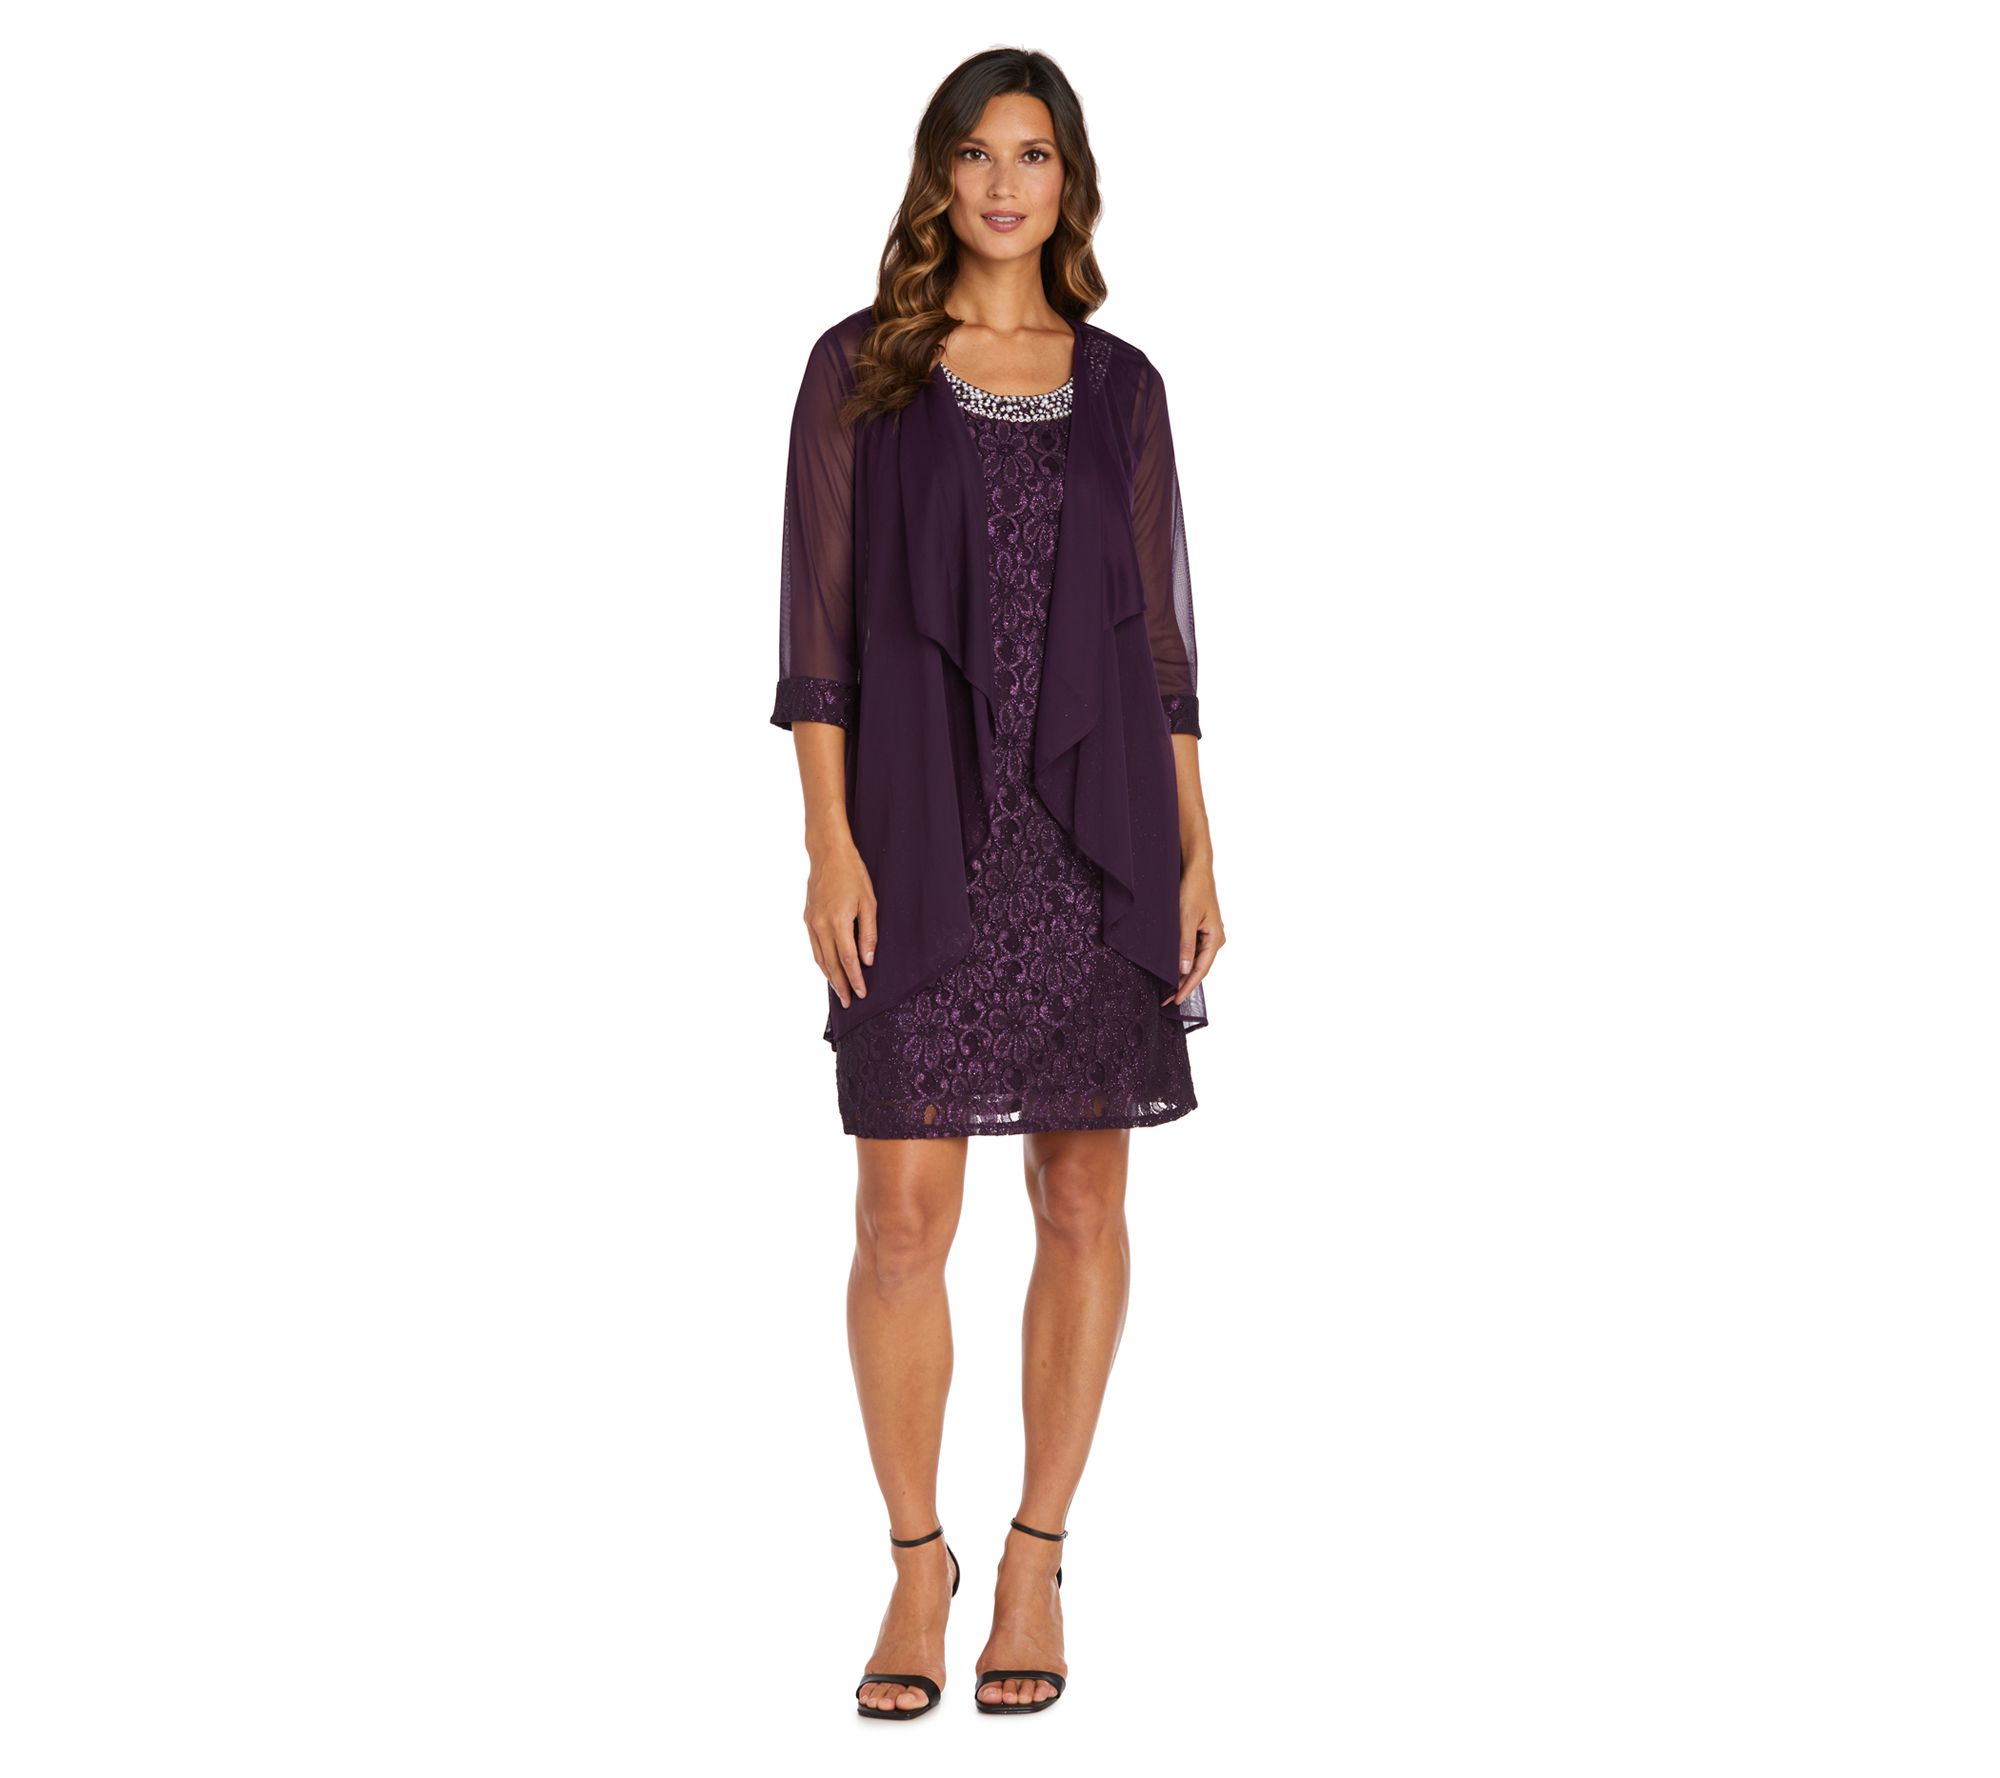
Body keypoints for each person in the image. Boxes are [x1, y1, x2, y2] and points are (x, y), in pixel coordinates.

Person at [767, 47, 1226, 1719]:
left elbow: (1161, 653)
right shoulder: (858, 372)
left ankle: (1036, 1551)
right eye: (976, 153)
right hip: (916, 831)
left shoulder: (1124, 389)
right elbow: (818, 635)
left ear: (1070, 181)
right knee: (901, 1216)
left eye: (1033, 154)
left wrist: (1198, 844)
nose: (1004, 184)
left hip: (1097, 840)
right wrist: (827, 840)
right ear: (937, 177)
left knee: (1084, 1200)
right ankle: (916, 1564)